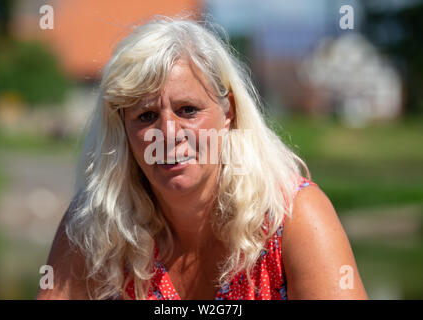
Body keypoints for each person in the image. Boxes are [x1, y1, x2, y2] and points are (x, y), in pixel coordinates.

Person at [36, 17, 368, 300]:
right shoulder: (94, 226)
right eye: (146, 115)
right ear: (122, 129)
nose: (167, 132)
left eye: (188, 110)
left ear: (229, 113)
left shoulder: (294, 217)